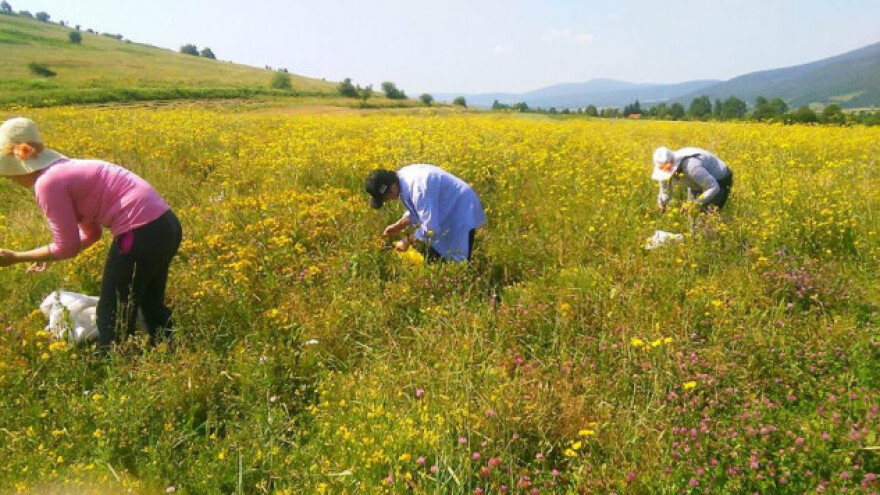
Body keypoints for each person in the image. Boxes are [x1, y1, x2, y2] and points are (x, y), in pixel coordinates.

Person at [0, 117, 182, 349]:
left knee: (112, 310)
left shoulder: (47, 183)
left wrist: (16, 257)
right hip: (165, 226)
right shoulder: (65, 170)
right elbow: (91, 234)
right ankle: (169, 351)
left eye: (8, 173)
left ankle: (115, 364)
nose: (10, 179)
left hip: (139, 233)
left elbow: (67, 247)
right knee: (149, 301)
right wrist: (46, 254)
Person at [365, 164, 485, 262]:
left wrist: (407, 241)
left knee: (457, 257)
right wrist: (399, 225)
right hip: (446, 207)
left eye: (385, 198)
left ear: (393, 188)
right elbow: (418, 211)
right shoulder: (402, 180)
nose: (387, 201)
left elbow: (430, 229)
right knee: (437, 255)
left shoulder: (418, 188)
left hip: (461, 208)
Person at [652, 146, 733, 212]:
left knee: (706, 216)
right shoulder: (663, 170)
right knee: (692, 214)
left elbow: (714, 187)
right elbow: (665, 192)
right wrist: (661, 204)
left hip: (719, 179)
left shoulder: (691, 167)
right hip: (696, 182)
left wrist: (694, 204)